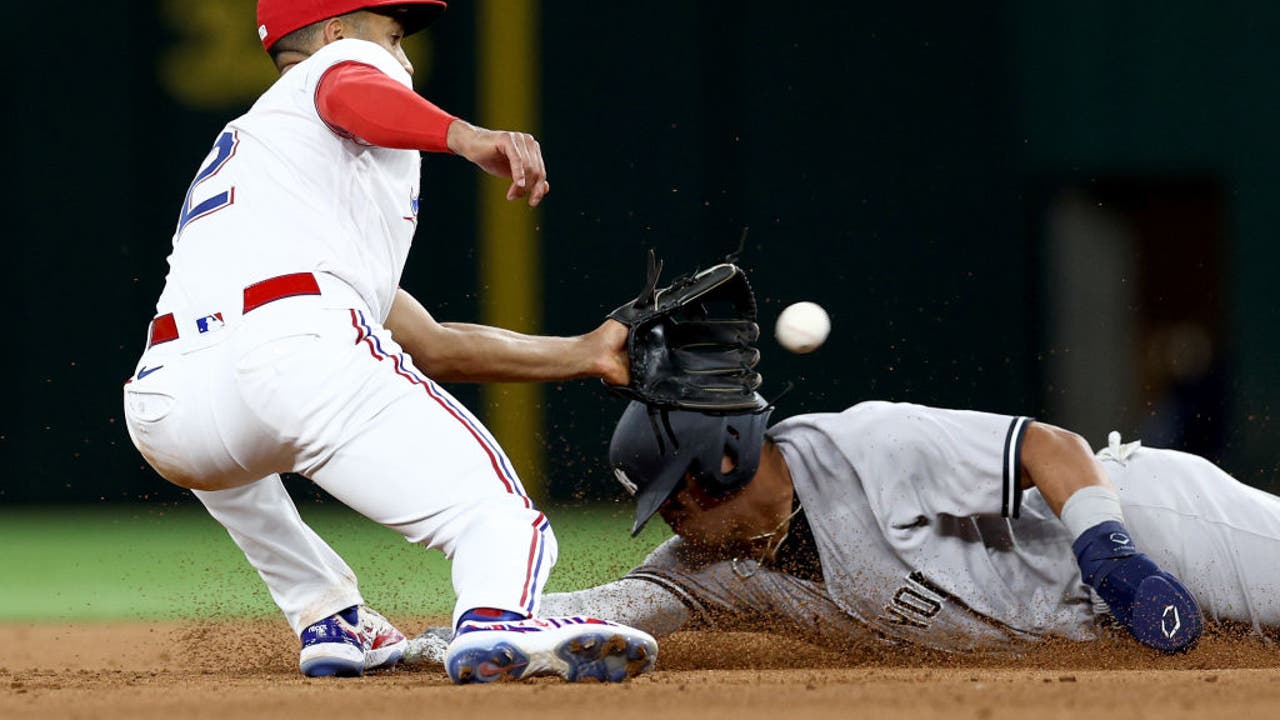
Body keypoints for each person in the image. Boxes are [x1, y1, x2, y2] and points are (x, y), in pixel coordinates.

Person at [122, 0, 656, 684]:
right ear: (336, 32)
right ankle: (500, 618)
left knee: (251, 464)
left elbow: (429, 343)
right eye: (394, 35)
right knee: (496, 517)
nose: (401, 59)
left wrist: (586, 352)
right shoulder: (340, 69)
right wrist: (467, 137)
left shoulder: (271, 169)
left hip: (169, 408)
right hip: (291, 349)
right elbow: (351, 85)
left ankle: (329, 617)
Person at [531, 400, 1280, 656]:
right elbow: (619, 604)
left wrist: (1118, 562)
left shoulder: (871, 445)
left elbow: (1050, 447)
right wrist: (484, 624)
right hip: (1099, 630)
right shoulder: (714, 568)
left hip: (1153, 524)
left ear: (723, 462)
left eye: (675, 502)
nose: (673, 525)